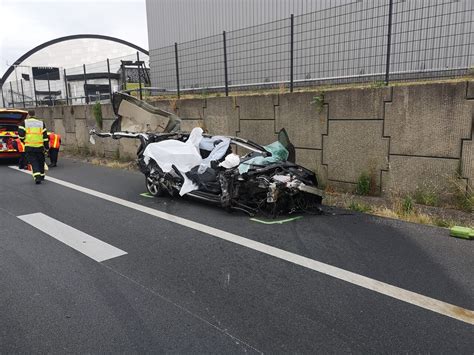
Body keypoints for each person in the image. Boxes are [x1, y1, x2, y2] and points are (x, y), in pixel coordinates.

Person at [18, 110, 49, 184]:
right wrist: (47, 147)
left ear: (28, 115)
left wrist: (23, 141)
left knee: (34, 162)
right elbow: (45, 137)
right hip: (39, 146)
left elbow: (21, 134)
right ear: (35, 114)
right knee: (41, 161)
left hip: (29, 146)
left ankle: (37, 177)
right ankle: (42, 175)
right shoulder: (41, 123)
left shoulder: (24, 123)